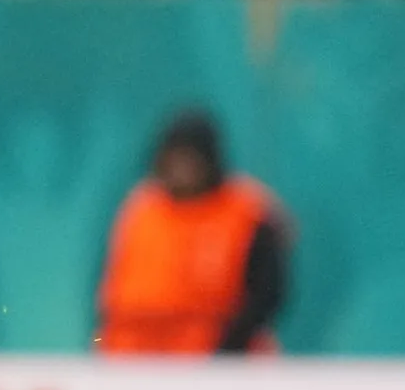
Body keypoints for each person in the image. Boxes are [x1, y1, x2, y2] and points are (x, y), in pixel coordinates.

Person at [96, 111, 291, 355]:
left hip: (211, 358)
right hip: (131, 357)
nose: (182, 170)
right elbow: (114, 289)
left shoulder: (245, 212)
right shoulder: (141, 207)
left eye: (190, 161)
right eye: (174, 160)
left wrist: (228, 350)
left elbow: (267, 294)